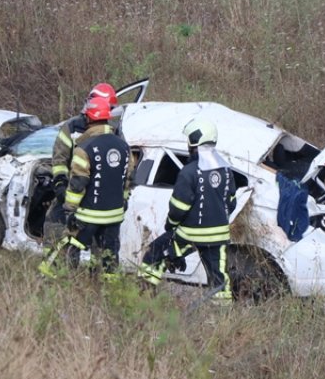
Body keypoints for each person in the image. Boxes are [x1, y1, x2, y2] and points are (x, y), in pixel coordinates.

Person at [138, 119, 237, 304]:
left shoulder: (189, 172)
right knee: (219, 277)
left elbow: (179, 207)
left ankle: (145, 297)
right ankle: (222, 314)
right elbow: (231, 202)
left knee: (155, 252)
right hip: (219, 236)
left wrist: (170, 226)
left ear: (194, 142)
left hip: (189, 235)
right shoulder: (226, 170)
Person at [38, 96, 132, 282]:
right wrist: (123, 201)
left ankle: (58, 279)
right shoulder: (124, 147)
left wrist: (69, 210)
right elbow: (127, 180)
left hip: (88, 215)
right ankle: (109, 290)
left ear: (89, 119)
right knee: (109, 256)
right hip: (114, 216)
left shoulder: (84, 148)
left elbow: (78, 184)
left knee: (68, 245)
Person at [47, 83, 119, 233]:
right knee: (54, 223)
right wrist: (60, 183)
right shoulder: (72, 127)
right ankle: (55, 254)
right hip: (73, 187)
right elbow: (60, 158)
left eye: (110, 108)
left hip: (99, 192)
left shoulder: (114, 130)